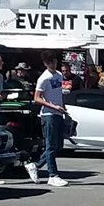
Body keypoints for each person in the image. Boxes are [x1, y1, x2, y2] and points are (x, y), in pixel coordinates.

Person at [33, 51, 70, 187]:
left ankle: (35, 165)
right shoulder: (44, 78)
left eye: (54, 61)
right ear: (45, 63)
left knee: (58, 145)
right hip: (48, 114)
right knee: (50, 145)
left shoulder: (59, 75)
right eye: (49, 62)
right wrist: (52, 106)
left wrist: (64, 110)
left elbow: (59, 94)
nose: (53, 64)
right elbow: (37, 98)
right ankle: (52, 175)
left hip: (59, 113)